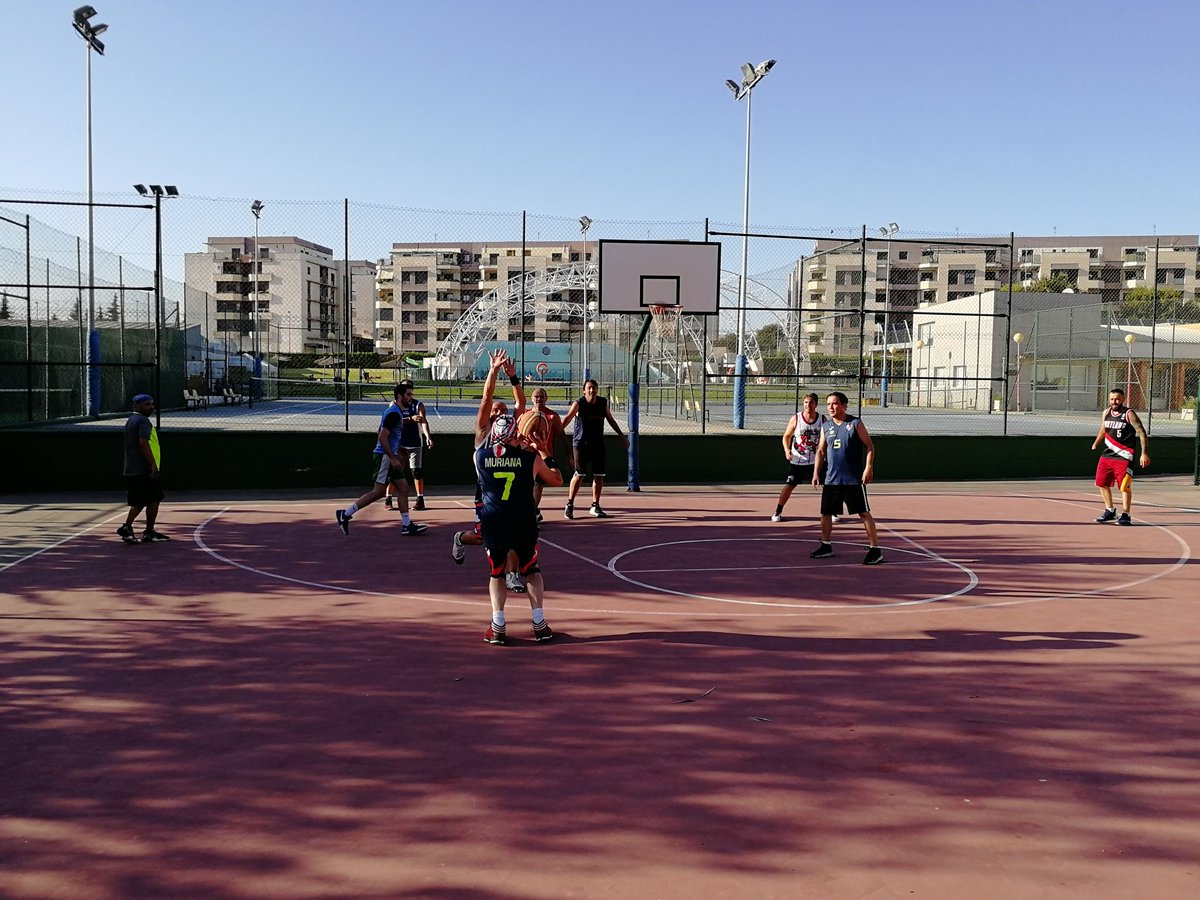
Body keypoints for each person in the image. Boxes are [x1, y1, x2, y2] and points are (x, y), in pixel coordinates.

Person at [471, 359, 563, 645]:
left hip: (493, 514)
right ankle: (538, 623)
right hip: (521, 516)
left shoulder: (479, 456)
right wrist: (543, 451)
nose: (498, 410)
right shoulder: (529, 458)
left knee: (495, 571)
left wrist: (500, 373)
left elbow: (505, 402)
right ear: (515, 434)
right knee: (532, 569)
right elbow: (556, 480)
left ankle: (498, 624)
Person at [451, 351, 526, 575]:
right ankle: (460, 538)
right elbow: (486, 398)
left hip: (510, 492)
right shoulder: (483, 433)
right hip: (486, 493)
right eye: (496, 410)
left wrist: (513, 377)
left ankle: (512, 575)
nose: (500, 413)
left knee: (513, 534)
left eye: (503, 410)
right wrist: (493, 371)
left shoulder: (511, 430)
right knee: (484, 536)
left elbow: (520, 402)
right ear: (490, 416)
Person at [335, 384, 427, 536]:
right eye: (408, 395)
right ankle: (344, 514)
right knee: (378, 492)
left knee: (403, 488)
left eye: (411, 394)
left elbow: (383, 432)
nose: (411, 398)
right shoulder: (394, 413)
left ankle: (406, 525)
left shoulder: (396, 412)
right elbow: (381, 436)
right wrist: (392, 457)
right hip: (384, 457)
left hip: (390, 455)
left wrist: (398, 449)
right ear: (399, 396)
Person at [810, 391, 883, 565]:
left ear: (844, 405)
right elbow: (820, 451)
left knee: (864, 513)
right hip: (831, 479)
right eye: (828, 404)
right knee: (826, 514)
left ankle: (875, 550)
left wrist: (868, 467)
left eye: (835, 404)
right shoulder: (826, 427)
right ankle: (826, 546)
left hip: (853, 479)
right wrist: (816, 472)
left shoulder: (855, 423)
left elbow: (870, 446)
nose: (831, 407)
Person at [561, 379, 629, 519]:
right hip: (580, 444)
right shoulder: (578, 404)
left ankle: (595, 505)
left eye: (594, 388)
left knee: (599, 475)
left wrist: (621, 435)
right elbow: (567, 419)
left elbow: (610, 419)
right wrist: (555, 432)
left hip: (597, 443)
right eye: (589, 388)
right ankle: (570, 504)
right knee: (579, 475)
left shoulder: (603, 403)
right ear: (584, 391)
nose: (592, 390)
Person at [1091, 387, 1150, 525]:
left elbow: (1141, 432)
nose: (1114, 401)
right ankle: (1110, 510)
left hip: (1124, 455)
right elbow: (1103, 429)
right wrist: (1096, 443)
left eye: (1117, 399)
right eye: (1112, 399)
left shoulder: (1129, 414)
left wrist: (1144, 453)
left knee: (1124, 486)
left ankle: (1126, 514)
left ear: (1123, 399)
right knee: (1101, 483)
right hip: (1107, 455)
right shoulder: (1106, 412)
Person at [117, 393, 170, 544]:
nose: (151, 407)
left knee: (150, 499)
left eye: (152, 404)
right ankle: (129, 527)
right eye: (147, 404)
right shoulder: (142, 421)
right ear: (136, 406)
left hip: (134, 468)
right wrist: (153, 464)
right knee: (146, 500)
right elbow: (143, 443)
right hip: (142, 469)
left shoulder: (132, 420)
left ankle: (148, 531)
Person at [771, 392, 827, 522]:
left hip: (816, 459)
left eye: (811, 402)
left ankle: (832, 512)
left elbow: (827, 438)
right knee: (790, 485)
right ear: (803, 404)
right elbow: (786, 436)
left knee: (828, 486)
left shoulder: (822, 420)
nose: (808, 405)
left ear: (816, 404)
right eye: (806, 402)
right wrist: (786, 450)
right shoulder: (796, 419)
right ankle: (778, 511)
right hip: (798, 460)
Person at [517, 386, 568, 523]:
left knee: (538, 485)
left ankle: (532, 512)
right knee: (526, 485)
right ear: (532, 399)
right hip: (527, 456)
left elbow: (562, 436)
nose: (539, 399)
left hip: (544, 455)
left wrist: (570, 455)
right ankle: (531, 510)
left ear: (546, 399)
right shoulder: (525, 415)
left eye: (542, 397)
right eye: (536, 397)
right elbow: (517, 436)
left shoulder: (552, 416)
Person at [386, 379, 433, 511]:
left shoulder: (418, 405)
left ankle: (420, 499)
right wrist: (409, 419)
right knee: (396, 471)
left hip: (415, 443)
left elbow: (423, 421)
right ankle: (388, 498)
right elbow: (392, 422)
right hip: (399, 444)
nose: (409, 393)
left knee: (416, 472)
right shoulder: (394, 405)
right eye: (406, 389)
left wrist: (428, 437)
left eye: (410, 390)